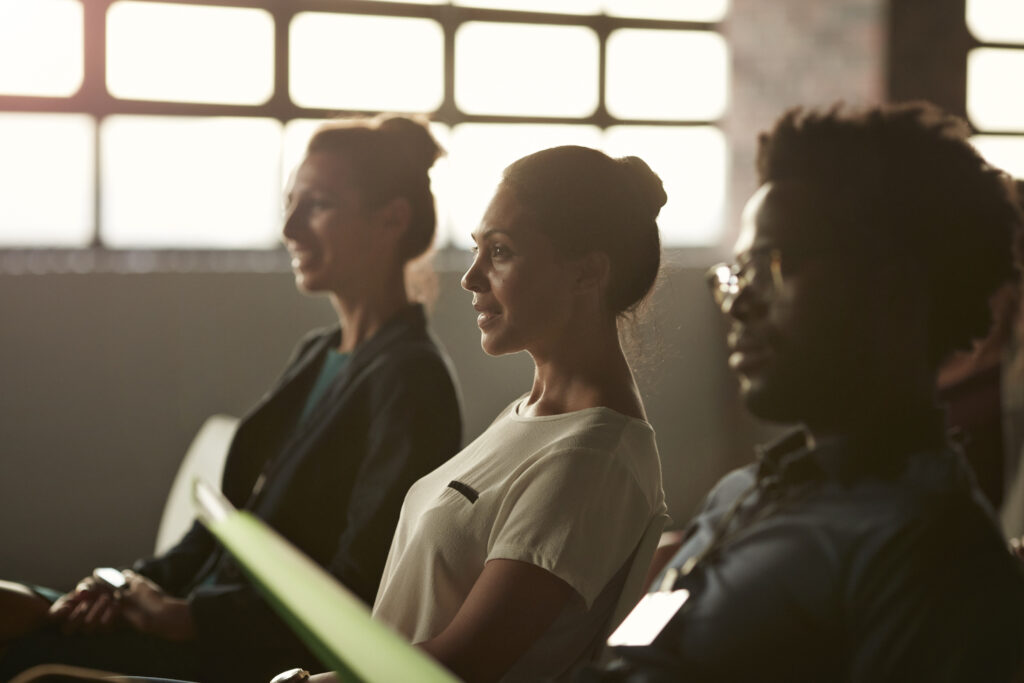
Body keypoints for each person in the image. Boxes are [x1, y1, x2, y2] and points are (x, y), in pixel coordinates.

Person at [0, 115, 463, 683]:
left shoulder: (411, 379)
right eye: (290, 203)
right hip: (190, 620)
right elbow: (230, 519)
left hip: (247, 656)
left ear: (392, 219)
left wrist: (185, 619)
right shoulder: (319, 354)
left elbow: (359, 583)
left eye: (318, 205)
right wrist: (121, 583)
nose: (291, 227)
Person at [576, 102, 1024, 682]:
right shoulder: (745, 492)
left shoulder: (932, 554)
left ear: (891, 293)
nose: (738, 303)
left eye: (771, 265)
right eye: (737, 273)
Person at [298, 145, 669, 683]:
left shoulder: (593, 458)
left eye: (500, 252)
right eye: (478, 248)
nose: (470, 278)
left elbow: (464, 666)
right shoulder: (531, 415)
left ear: (587, 273)